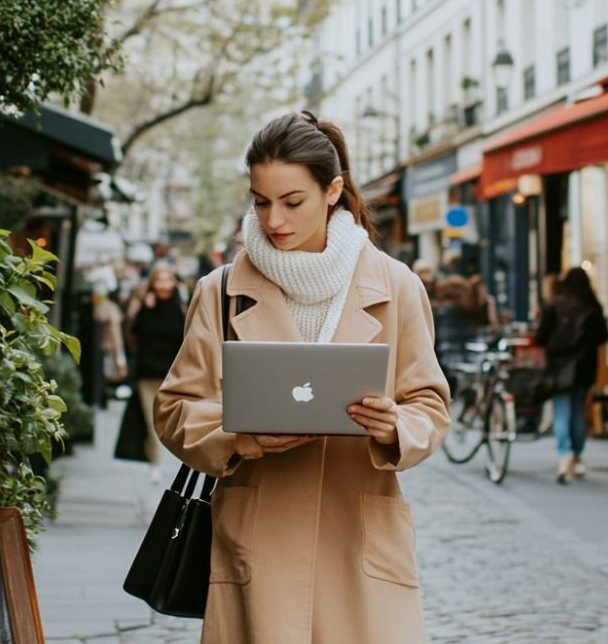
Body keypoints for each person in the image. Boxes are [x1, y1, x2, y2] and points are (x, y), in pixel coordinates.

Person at [154, 111, 450, 644]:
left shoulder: (397, 285)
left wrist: (392, 424)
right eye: (260, 201)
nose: (274, 220)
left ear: (333, 190)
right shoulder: (219, 291)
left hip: (357, 538)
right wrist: (240, 436)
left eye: (293, 202)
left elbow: (429, 404)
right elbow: (176, 409)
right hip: (256, 534)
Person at [535, 267, 608, 483]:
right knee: (578, 409)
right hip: (585, 367)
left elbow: (541, 337)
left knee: (561, 410)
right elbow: (602, 337)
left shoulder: (555, 306)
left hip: (559, 367)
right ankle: (577, 456)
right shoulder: (593, 307)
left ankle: (564, 452)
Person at [122, 262, 186, 482]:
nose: (164, 285)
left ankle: (182, 462)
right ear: (152, 283)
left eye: (168, 280)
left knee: (175, 422)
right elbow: (134, 335)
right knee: (151, 422)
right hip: (148, 373)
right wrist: (141, 307)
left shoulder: (181, 308)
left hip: (174, 375)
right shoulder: (145, 307)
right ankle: (155, 463)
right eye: (159, 280)